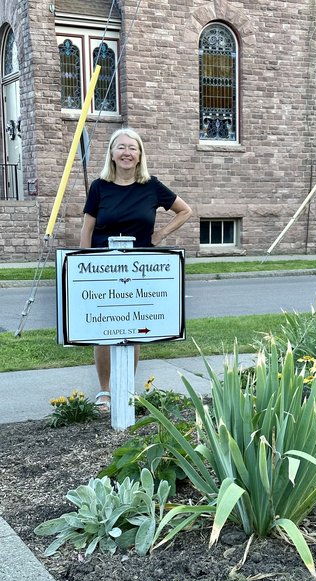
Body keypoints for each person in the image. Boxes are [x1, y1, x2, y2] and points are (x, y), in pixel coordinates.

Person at [79, 127, 193, 412]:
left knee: (134, 326)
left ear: (140, 154)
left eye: (133, 147)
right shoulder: (99, 187)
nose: (127, 152)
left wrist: (160, 236)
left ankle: (126, 387)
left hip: (139, 269)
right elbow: (87, 227)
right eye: (121, 147)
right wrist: (83, 263)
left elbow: (185, 211)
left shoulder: (151, 186)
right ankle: (105, 389)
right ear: (112, 154)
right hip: (103, 268)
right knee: (104, 331)